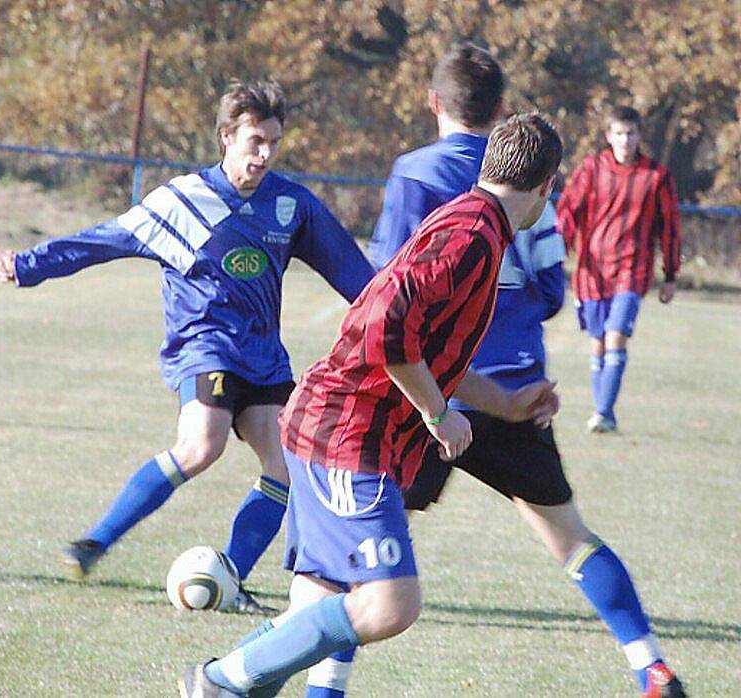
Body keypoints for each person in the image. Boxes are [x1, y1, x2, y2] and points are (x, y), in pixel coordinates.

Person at [177, 111, 563, 697]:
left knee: (321, 604)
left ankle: (232, 683)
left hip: (340, 428)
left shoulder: (473, 224)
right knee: (389, 603)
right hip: (346, 437)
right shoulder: (472, 238)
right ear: (546, 187)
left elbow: (429, 354)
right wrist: (438, 415)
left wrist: (506, 405)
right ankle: (220, 680)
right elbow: (387, 332)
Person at [0, 79, 374, 612]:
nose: (264, 154)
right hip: (205, 346)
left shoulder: (291, 205)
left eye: (273, 143)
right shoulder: (184, 201)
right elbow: (104, 240)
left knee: (288, 465)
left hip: (263, 357)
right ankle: (94, 542)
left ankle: (229, 578)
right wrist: (30, 265)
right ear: (225, 138)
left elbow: (357, 277)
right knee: (201, 445)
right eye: (254, 141)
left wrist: (396, 317)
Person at [372, 46, 685, 698]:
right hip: (515, 386)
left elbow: (386, 291)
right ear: (502, 109)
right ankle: (648, 662)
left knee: (355, 545)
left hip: (431, 385)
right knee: (572, 539)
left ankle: (314, 681)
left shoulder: (416, 174)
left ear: (434, 103)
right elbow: (549, 291)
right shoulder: (533, 183)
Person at [557, 105, 681, 433]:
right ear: (609, 136)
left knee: (616, 337)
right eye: (619, 133)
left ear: (640, 136)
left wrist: (670, 275)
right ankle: (602, 412)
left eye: (631, 133)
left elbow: (670, 226)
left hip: (633, 270)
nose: (625, 140)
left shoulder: (656, 177)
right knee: (598, 341)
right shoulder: (590, 170)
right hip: (592, 273)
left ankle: (605, 413)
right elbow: (568, 213)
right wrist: (559, 252)